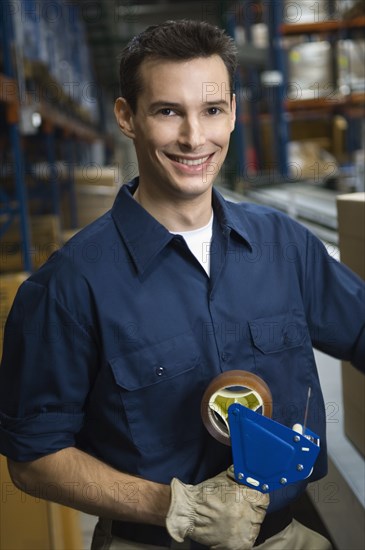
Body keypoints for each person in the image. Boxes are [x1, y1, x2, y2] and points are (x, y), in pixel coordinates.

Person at [0, 19, 364, 550]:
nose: (195, 138)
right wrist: (178, 509)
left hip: (285, 539)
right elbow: (33, 459)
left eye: (212, 110)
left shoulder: (285, 245)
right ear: (127, 117)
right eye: (168, 111)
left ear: (234, 112)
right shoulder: (69, 286)